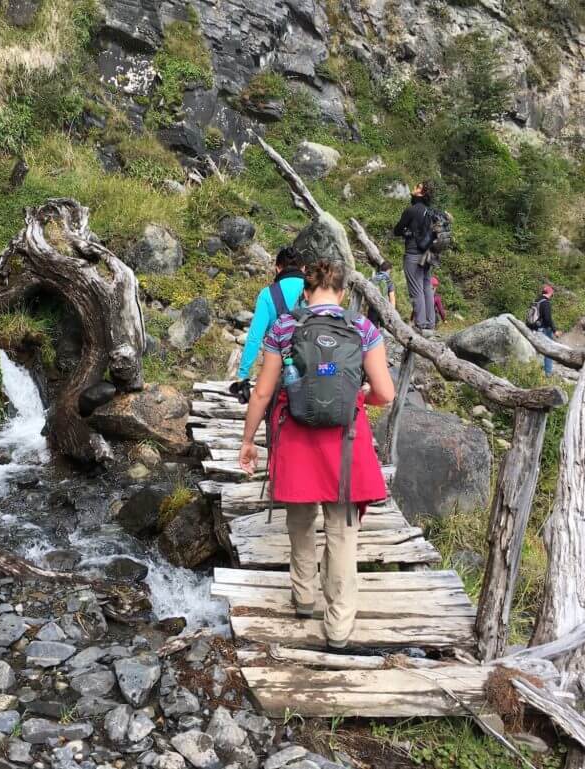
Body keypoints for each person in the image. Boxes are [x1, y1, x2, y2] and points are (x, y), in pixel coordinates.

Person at [238, 259, 395, 650]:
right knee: (342, 532)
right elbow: (386, 394)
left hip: (296, 435)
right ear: (342, 293)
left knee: (301, 521)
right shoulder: (362, 328)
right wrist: (360, 398)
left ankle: (304, 596)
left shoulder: (285, 327)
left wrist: (248, 440)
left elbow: (261, 392)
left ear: (305, 292)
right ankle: (339, 624)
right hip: (346, 440)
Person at [228, 246, 306, 403]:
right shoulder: (315, 291)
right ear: (304, 269)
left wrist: (243, 376)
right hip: (313, 368)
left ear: (278, 268)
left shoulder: (268, 294)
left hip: (278, 370)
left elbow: (254, 338)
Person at [393, 180, 437, 331]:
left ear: (422, 193)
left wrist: (406, 232)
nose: (413, 188)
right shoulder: (430, 211)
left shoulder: (411, 210)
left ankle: (421, 325)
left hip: (413, 255)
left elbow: (397, 230)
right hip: (427, 255)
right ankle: (430, 324)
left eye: (417, 187)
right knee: (426, 287)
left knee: (416, 289)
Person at [531, 285, 557, 375]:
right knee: (548, 351)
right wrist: (554, 330)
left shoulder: (536, 300)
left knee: (536, 349)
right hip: (544, 329)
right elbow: (547, 319)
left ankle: (532, 370)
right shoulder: (546, 303)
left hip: (534, 328)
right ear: (550, 293)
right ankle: (548, 373)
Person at [367, 261, 396, 327]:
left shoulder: (372, 279)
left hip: (373, 307)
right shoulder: (389, 281)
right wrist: (392, 312)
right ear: (389, 270)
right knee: (385, 330)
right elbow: (392, 298)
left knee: (372, 329)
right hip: (384, 308)